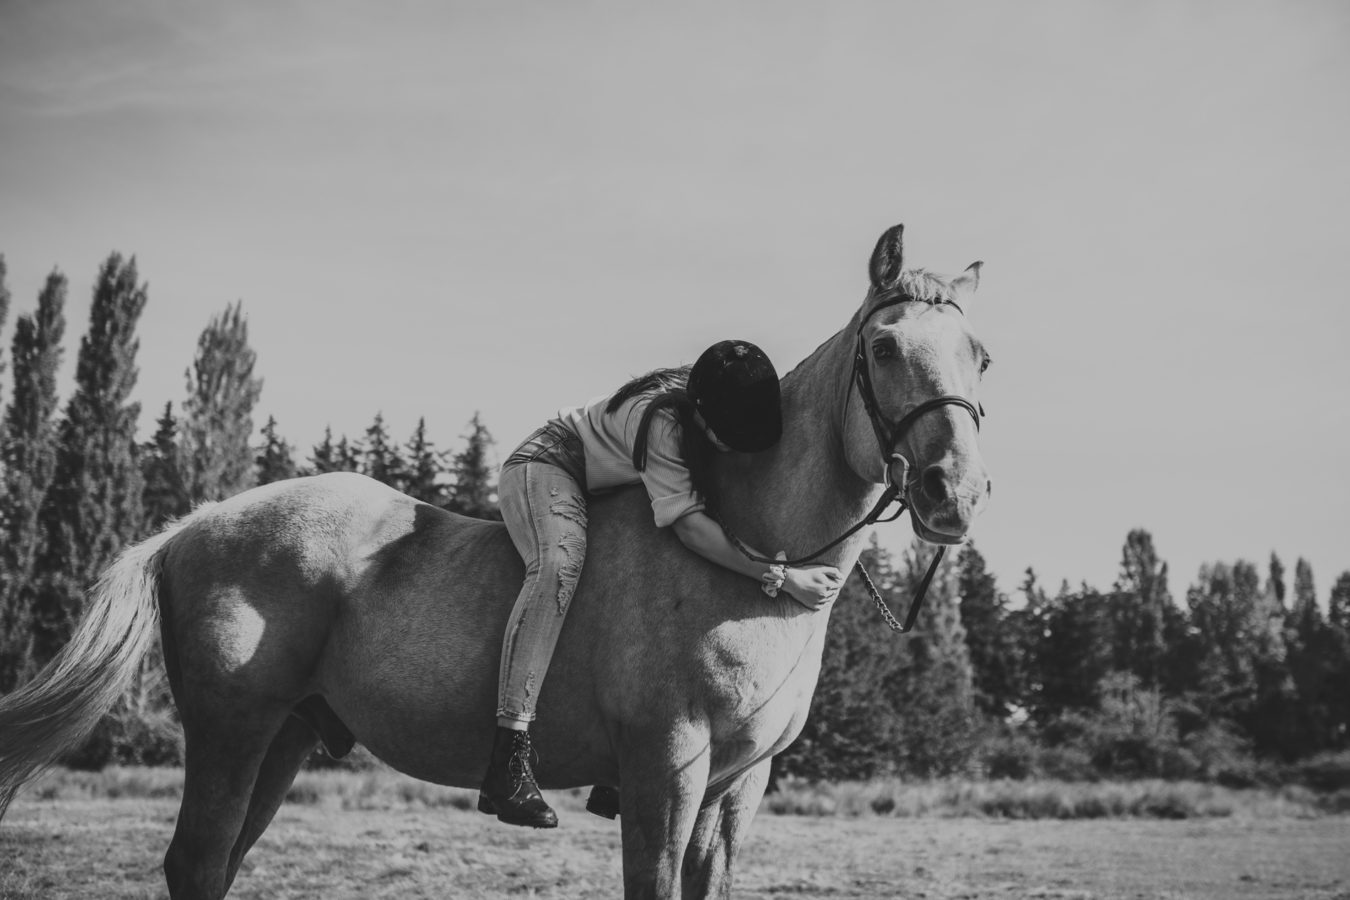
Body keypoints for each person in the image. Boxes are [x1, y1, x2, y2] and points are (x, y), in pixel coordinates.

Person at [478, 340, 845, 828]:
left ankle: (619, 773)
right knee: (558, 567)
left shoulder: (727, 400)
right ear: (702, 418)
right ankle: (509, 758)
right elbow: (692, 529)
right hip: (547, 464)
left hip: (611, 485)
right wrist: (780, 575)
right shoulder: (665, 425)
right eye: (727, 438)